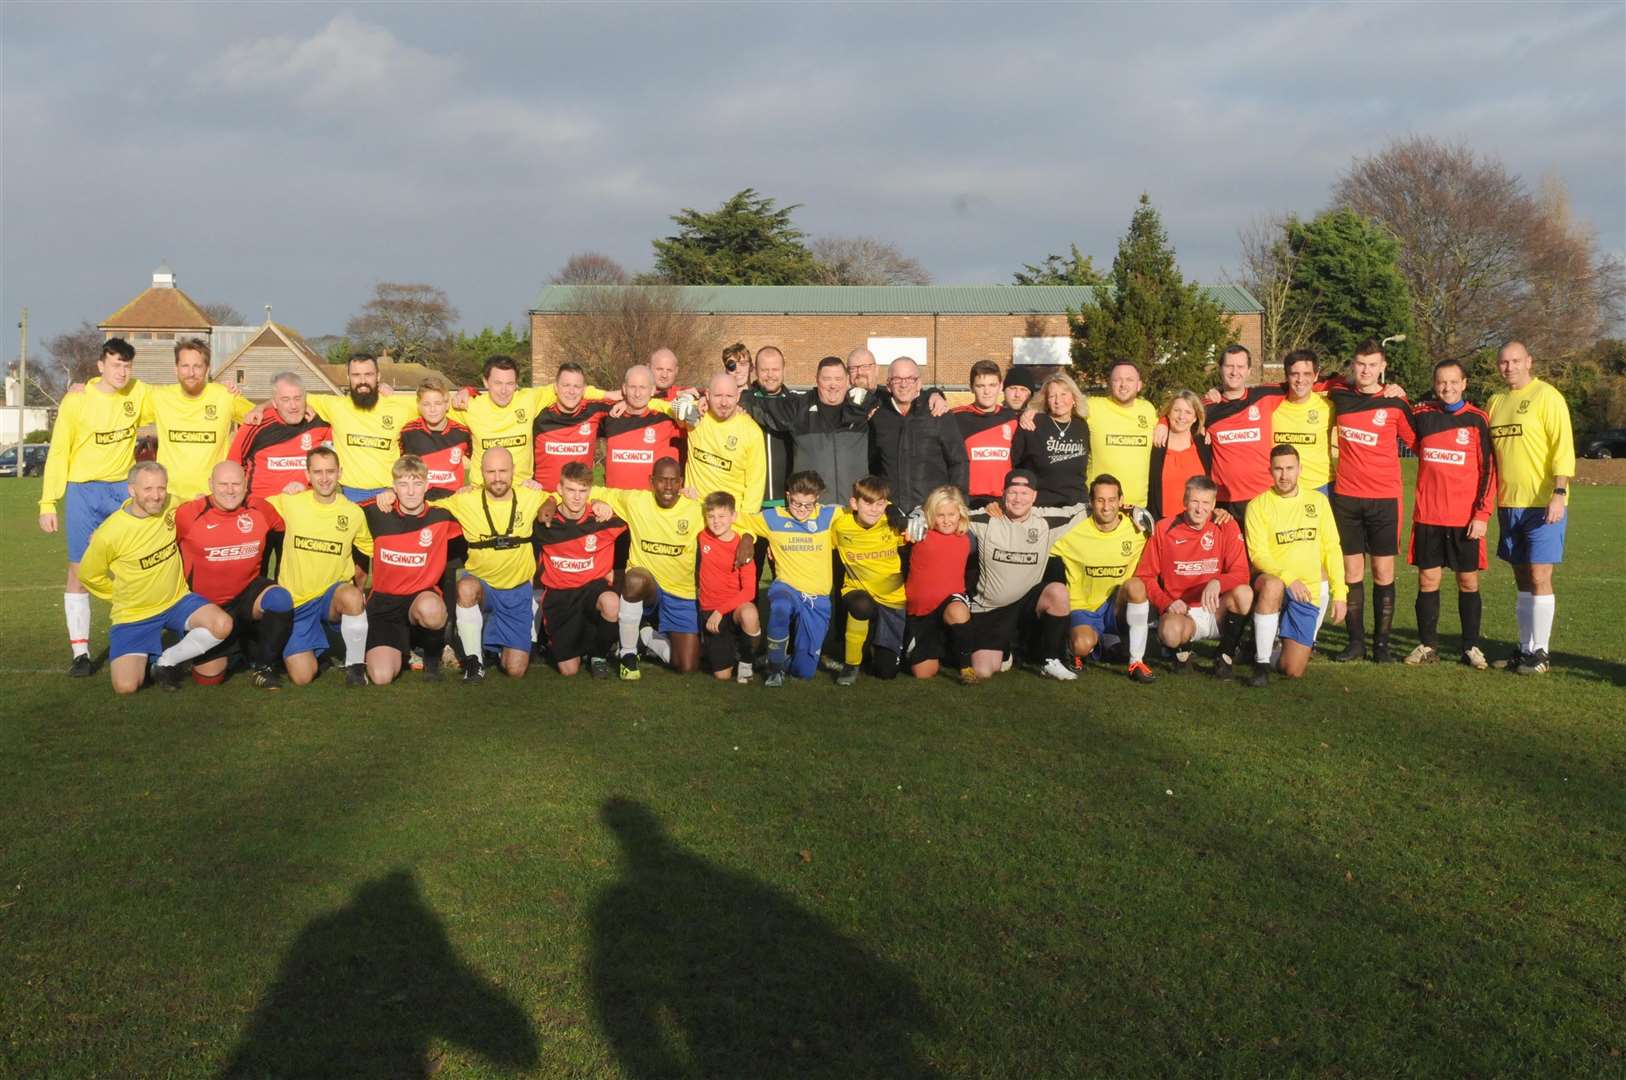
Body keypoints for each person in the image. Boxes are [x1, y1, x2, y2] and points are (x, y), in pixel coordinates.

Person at [39, 337, 154, 675]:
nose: (122, 371)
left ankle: (137, 642)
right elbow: (59, 451)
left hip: (122, 490)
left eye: (127, 365)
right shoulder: (76, 401)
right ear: (100, 366)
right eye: (116, 364)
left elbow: (175, 402)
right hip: (83, 492)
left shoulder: (138, 393)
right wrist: (48, 503)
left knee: (132, 567)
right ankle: (81, 654)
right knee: (79, 570)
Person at [78, 461, 234, 694]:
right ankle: (147, 657)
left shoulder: (171, 504)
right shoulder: (109, 533)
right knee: (126, 687)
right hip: (134, 615)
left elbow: (194, 501)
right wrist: (118, 595)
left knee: (223, 624)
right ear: (132, 490)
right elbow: (88, 575)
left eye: (161, 488)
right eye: (148, 489)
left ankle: (168, 659)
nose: (157, 496)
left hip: (177, 602)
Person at [418, 446, 548, 682]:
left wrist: (548, 503)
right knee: (466, 587)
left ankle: (492, 638)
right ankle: (474, 662)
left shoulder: (530, 496)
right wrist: (388, 494)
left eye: (502, 471)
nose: (497, 478)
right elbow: (423, 499)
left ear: (513, 471)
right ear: (480, 473)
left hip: (517, 592)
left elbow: (559, 498)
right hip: (483, 588)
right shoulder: (465, 499)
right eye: (490, 472)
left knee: (515, 670)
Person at [1486, 340, 1575, 675]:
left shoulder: (1547, 396)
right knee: (1522, 576)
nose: (1509, 367)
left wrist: (1559, 493)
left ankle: (1542, 652)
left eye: (1515, 361)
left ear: (1529, 362)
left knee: (1540, 575)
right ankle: (1524, 650)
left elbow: (1562, 446)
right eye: (1504, 362)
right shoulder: (1496, 402)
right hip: (1509, 503)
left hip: (1543, 504)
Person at [1327, 340, 1416, 664]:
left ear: (1383, 366)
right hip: (1347, 497)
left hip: (1384, 500)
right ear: (1353, 364)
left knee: (1382, 572)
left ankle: (1381, 646)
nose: (1365, 370)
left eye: (1372, 365)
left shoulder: (1394, 401)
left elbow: (1421, 440)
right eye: (1360, 364)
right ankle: (1355, 644)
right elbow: (1300, 381)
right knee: (1352, 573)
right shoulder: (1339, 392)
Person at [1406, 359, 1497, 669]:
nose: (1447, 387)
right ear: (1435, 385)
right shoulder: (1422, 415)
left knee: (1468, 583)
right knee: (1428, 580)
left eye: (1453, 382)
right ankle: (1427, 645)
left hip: (1464, 520)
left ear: (1464, 383)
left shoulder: (1477, 419)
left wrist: (1482, 514)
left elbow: (1488, 470)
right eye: (1441, 382)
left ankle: (1470, 647)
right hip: (1429, 515)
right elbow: (1397, 419)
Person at [585, 457, 709, 678]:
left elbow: (730, 519)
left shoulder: (696, 510)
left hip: (681, 593)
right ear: (651, 481)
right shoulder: (635, 501)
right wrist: (597, 502)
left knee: (686, 665)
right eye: (662, 480)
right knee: (634, 579)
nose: (668, 487)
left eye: (673, 481)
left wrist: (748, 537)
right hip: (648, 587)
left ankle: (646, 635)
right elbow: (590, 490)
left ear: (681, 482)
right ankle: (628, 655)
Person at [259, 447, 370, 687]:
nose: (325, 478)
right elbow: (251, 506)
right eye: (317, 472)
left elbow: (369, 550)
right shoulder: (290, 502)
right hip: (296, 602)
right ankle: (316, 651)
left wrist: (362, 587)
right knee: (302, 677)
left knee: (352, 596)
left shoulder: (353, 513)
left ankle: (355, 666)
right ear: (307, 474)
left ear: (340, 472)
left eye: (330, 471)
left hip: (330, 598)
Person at [963, 469, 1087, 682]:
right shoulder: (987, 518)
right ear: (1003, 494)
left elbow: (1089, 508)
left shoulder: (1047, 520)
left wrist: (1131, 509)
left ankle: (1051, 660)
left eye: (1024, 493)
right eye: (1013, 492)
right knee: (983, 671)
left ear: (1034, 496)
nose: (1018, 499)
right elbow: (946, 512)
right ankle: (1006, 648)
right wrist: (918, 516)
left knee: (1057, 592)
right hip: (992, 609)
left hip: (1027, 605)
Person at [174, 460, 285, 688]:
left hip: (247, 598)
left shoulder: (261, 508)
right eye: (223, 484)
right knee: (209, 679)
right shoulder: (188, 514)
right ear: (210, 484)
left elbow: (284, 530)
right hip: (208, 607)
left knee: (280, 599)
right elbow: (153, 533)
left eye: (236, 484)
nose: (230, 490)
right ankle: (236, 648)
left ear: (246, 485)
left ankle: (264, 667)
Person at [352, 456, 460, 685]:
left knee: (431, 609)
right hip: (384, 604)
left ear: (427, 486)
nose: (410, 492)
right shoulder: (377, 511)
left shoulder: (442, 514)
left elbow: (477, 502)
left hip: (418, 600)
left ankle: (431, 660)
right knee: (381, 678)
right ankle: (402, 648)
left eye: (417, 484)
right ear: (393, 487)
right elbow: (339, 509)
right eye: (403, 484)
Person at [1245, 445, 1347, 686]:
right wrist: (1289, 578)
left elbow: (1332, 548)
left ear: (1300, 469)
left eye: (1290, 468)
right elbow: (1258, 554)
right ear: (1269, 470)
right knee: (1273, 586)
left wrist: (1340, 593)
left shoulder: (1318, 501)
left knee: (1293, 670)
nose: (1284, 475)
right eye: (1278, 469)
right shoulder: (1258, 505)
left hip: (1307, 591)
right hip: (1274, 581)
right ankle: (1260, 665)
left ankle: (1262, 644)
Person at [1135, 475, 1252, 678]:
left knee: (1244, 593)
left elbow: (1242, 572)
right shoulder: (1165, 528)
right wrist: (1166, 603)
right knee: (1170, 632)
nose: (1200, 509)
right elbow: (1144, 576)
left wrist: (1218, 581)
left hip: (1216, 609)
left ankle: (1225, 656)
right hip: (1183, 612)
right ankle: (1182, 653)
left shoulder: (1225, 524)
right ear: (1184, 501)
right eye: (1194, 502)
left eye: (1206, 503)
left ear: (1214, 503)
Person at [734, 471, 843, 687]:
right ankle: (775, 669)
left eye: (808, 505)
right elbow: (735, 518)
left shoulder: (829, 515)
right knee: (781, 606)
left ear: (817, 500)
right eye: (796, 503)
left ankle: (781, 659)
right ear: (787, 496)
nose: (802, 510)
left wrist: (888, 507)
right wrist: (748, 536)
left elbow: (866, 508)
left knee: (804, 672)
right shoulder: (772, 517)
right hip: (787, 587)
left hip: (817, 598)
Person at [1050, 474, 1153, 683]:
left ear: (1121, 501)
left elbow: (1166, 534)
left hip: (1116, 606)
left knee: (1136, 586)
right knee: (1081, 645)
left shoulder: (1138, 530)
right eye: (1100, 500)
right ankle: (1088, 645)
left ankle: (1136, 661)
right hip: (1083, 608)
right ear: (1091, 502)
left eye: (1112, 500)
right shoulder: (1072, 532)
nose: (1106, 507)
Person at [446, 355, 607, 486]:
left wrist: (610, 395)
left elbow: (572, 388)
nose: (504, 390)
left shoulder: (528, 399)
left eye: (510, 383)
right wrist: (466, 391)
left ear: (516, 383)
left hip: (523, 491)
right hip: (483, 490)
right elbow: (428, 404)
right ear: (485, 382)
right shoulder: (468, 406)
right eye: (497, 383)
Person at [741, 356, 874, 515]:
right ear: (817, 381)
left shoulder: (863, 408)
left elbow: (891, 401)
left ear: (847, 380)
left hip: (852, 510)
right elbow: (762, 405)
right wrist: (736, 401)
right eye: (826, 379)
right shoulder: (799, 407)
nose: (833, 385)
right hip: (811, 512)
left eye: (838, 379)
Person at [534, 462, 626, 678]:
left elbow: (637, 519)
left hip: (591, 590)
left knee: (611, 603)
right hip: (560, 597)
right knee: (569, 671)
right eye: (571, 490)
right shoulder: (544, 521)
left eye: (583, 491)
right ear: (559, 489)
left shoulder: (605, 520)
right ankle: (554, 642)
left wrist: (619, 575)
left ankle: (598, 655)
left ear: (590, 492)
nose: (577, 497)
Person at [138, 338, 256, 500]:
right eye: (185, 366)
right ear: (176, 369)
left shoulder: (225, 396)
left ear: (207, 369)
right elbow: (122, 417)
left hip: (213, 496)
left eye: (197, 366)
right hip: (169, 496)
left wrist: (303, 403)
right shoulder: (160, 397)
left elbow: (262, 418)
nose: (191, 373)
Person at [299, 353, 424, 501]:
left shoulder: (399, 406)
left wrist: (460, 394)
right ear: (348, 378)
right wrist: (263, 408)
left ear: (378, 376)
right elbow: (287, 397)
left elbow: (441, 404)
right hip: (349, 495)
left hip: (388, 494)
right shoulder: (334, 406)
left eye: (368, 374)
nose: (362, 381)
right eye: (356, 375)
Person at [830, 475, 910, 685]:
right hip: (857, 591)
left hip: (891, 598)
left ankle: (874, 642)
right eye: (868, 503)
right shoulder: (839, 524)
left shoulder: (892, 522)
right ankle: (851, 664)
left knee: (886, 672)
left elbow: (915, 538)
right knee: (861, 606)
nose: (874, 509)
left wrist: (895, 511)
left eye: (880, 503)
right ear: (854, 503)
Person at [867, 357, 969, 513]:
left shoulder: (938, 413)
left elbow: (958, 462)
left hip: (933, 513)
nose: (903, 384)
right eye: (896, 379)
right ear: (888, 385)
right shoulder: (878, 418)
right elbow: (873, 466)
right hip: (892, 514)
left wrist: (957, 504)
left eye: (910, 379)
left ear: (919, 383)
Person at [902, 485, 974, 681]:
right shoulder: (919, 532)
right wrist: (915, 513)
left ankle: (966, 667)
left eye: (951, 514)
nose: (946, 520)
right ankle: (946, 652)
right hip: (921, 610)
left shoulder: (967, 537)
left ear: (959, 513)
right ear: (930, 515)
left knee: (957, 611)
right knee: (923, 673)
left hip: (951, 602)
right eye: (940, 515)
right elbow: (899, 518)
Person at [229, 371, 333, 499]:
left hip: (306, 508)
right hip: (261, 508)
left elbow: (331, 467)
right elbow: (232, 467)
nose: (293, 406)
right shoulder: (255, 425)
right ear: (274, 403)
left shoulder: (321, 425)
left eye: (298, 398)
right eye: (285, 399)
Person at [696, 491, 762, 683]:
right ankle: (732, 648)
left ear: (733, 517)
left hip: (733, 609)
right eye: (711, 516)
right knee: (722, 676)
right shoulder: (701, 537)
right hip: (710, 611)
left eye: (722, 516)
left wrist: (721, 610)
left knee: (750, 613)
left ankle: (747, 661)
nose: (716, 522)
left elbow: (749, 591)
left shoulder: (743, 547)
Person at [683, 372, 768, 515]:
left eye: (729, 396)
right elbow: (661, 404)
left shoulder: (752, 432)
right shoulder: (695, 415)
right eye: (718, 396)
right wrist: (688, 399)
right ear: (708, 395)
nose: (724, 402)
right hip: (693, 513)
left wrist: (743, 522)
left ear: (738, 397)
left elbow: (755, 484)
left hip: (728, 521)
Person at [1083, 361, 1158, 508]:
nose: (1123, 385)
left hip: (1137, 506)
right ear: (1109, 384)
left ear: (1139, 385)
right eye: (1117, 380)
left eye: (1129, 380)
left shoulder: (1147, 409)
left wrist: (1164, 424)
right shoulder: (1092, 406)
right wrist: (1032, 411)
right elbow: (1059, 404)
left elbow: (1175, 418)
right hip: (1099, 505)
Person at [531, 362, 617, 492]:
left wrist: (624, 405)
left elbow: (637, 400)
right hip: (543, 500)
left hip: (579, 502)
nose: (571, 391)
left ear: (584, 390)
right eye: (566, 385)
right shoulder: (538, 416)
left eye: (577, 386)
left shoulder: (595, 411)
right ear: (555, 387)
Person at [1010, 372, 1089, 508]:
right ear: (1046, 400)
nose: (1058, 401)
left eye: (1064, 394)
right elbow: (1015, 465)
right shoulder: (1032, 424)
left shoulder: (1082, 426)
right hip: (1042, 509)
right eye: (1052, 396)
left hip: (1078, 507)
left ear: (1074, 398)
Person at [599, 364, 683, 490]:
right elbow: (576, 396)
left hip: (650, 505)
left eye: (643, 388)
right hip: (615, 504)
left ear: (652, 390)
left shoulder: (667, 419)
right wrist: (607, 395)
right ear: (624, 388)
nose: (637, 394)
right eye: (633, 387)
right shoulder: (610, 416)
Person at [952, 360, 1020, 508]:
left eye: (992, 385)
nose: (987, 392)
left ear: (1001, 386)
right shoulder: (956, 418)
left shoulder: (1012, 418)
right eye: (980, 386)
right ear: (971, 388)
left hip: (1004, 502)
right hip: (969, 502)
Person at [1269, 351, 1336, 494]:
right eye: (1294, 374)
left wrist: (1392, 391)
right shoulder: (1271, 407)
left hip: (1320, 487)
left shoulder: (1329, 407)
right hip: (1281, 488)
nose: (1300, 379)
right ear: (1286, 376)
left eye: (1307, 374)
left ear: (1316, 376)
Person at [398, 378, 473, 498]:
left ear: (447, 404)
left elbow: (480, 460)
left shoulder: (462, 433)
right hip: (421, 501)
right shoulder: (409, 432)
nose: (432, 409)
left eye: (438, 404)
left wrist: (474, 485)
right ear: (418, 406)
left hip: (454, 500)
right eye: (426, 404)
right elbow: (394, 463)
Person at [1145, 390, 1212, 520]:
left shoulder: (1204, 443)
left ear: (1195, 418)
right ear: (1169, 413)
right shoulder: (1156, 442)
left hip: (1199, 524)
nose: (1182, 417)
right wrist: (1162, 422)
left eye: (1188, 412)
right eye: (1176, 410)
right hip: (1163, 523)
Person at [741, 345, 793, 508]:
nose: (770, 375)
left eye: (775, 369)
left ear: (784, 369)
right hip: (751, 502)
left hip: (789, 503)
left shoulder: (797, 404)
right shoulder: (743, 401)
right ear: (755, 370)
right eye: (764, 370)